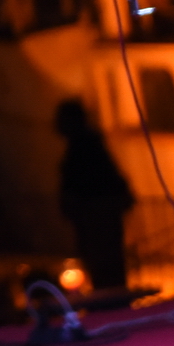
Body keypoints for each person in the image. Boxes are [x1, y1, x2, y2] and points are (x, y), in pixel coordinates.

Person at [54, 98, 134, 290]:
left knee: (104, 266)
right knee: (108, 265)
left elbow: (85, 183)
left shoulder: (82, 149)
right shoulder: (88, 146)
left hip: (95, 217)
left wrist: (75, 204)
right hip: (98, 216)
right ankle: (113, 295)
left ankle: (111, 298)